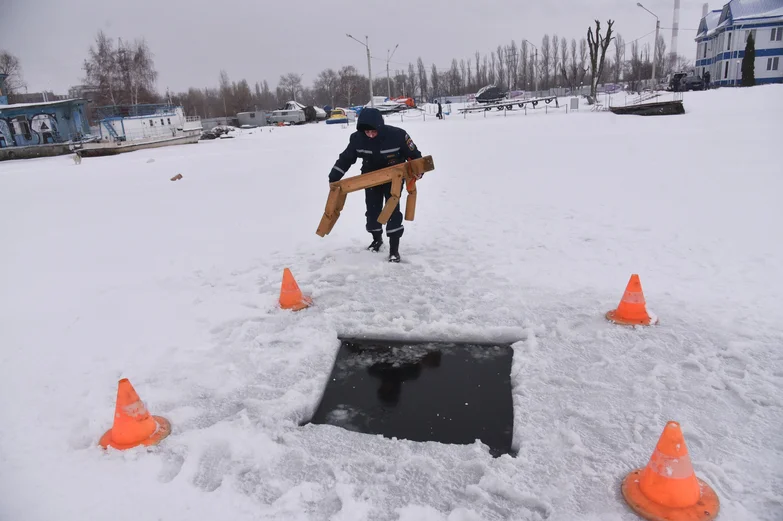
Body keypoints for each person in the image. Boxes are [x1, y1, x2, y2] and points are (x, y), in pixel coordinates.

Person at [328, 107, 423, 263]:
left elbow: (415, 156)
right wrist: (334, 177)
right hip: (370, 178)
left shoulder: (398, 135)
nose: (370, 135)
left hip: (395, 178)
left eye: (373, 131)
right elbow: (346, 159)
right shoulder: (357, 138)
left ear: (380, 127)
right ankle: (377, 239)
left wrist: (419, 171)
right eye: (367, 132)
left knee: (392, 211)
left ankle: (394, 250)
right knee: (372, 212)